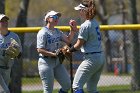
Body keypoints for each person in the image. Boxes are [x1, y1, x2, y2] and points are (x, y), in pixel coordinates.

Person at [66, 1, 105, 93]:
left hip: (91, 59)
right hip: (100, 58)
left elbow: (79, 45)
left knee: (76, 86)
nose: (79, 12)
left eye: (80, 10)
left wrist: (69, 50)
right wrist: (75, 30)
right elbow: (88, 35)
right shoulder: (95, 22)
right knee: (92, 89)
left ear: (84, 11)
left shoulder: (85, 25)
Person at [36, 10, 77, 93]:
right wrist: (53, 54)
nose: (56, 19)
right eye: (54, 17)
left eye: (57, 17)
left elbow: (68, 40)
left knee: (67, 85)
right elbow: (39, 49)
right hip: (45, 63)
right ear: (47, 19)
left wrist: (72, 30)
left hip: (57, 62)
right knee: (48, 90)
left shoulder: (57, 31)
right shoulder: (43, 32)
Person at [0, 14, 22, 93]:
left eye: (6, 21)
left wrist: (16, 53)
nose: (4, 23)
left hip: (7, 69)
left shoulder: (14, 36)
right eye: (1, 21)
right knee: (5, 91)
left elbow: (19, 55)